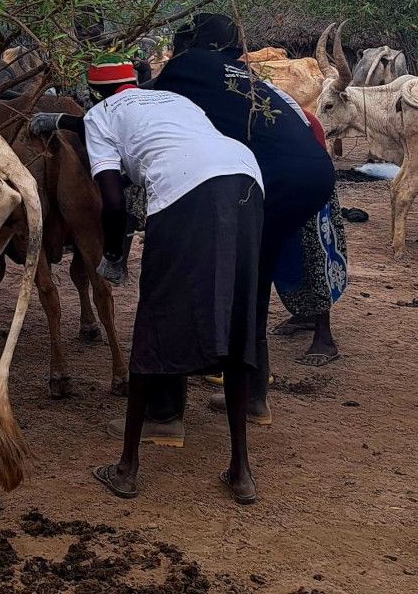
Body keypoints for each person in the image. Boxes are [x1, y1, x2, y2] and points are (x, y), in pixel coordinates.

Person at [31, 60, 268, 503]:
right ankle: (240, 472)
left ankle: (127, 467)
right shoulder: (174, 99)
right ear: (134, 83)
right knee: (237, 322)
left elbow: (113, 199)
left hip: (183, 192)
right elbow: (132, 122)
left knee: (155, 320)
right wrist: (63, 120)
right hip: (246, 182)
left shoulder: (102, 115)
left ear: (96, 94)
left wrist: (115, 256)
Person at [146, 14, 338, 435]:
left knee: (186, 276)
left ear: (193, 42)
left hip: (269, 181)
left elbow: (142, 107)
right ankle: (252, 397)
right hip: (314, 176)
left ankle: (164, 414)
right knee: (253, 279)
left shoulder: (187, 66)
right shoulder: (245, 74)